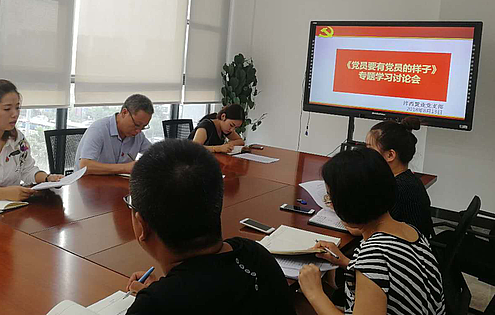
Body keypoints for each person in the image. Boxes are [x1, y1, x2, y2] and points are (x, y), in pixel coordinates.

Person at [124, 139, 292, 314]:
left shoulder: (153, 306)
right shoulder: (255, 255)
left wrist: (158, 296)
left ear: (141, 226)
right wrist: (162, 290)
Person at [298, 147, 445, 315]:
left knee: (297, 303)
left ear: (348, 204)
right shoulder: (410, 231)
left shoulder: (374, 256)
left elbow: (376, 266)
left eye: (330, 197)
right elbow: (387, 275)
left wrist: (314, 293)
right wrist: (344, 261)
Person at [365, 117, 434, 238]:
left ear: (390, 155)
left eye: (370, 149)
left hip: (403, 246)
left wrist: (339, 207)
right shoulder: (407, 179)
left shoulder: (398, 189)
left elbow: (366, 228)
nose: (366, 154)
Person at [74, 94, 153, 175]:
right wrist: (125, 168)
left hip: (117, 181)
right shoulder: (98, 129)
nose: (138, 131)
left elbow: (155, 154)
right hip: (88, 181)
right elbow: (85, 166)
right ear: (124, 112)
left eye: (143, 127)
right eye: (137, 125)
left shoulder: (138, 136)